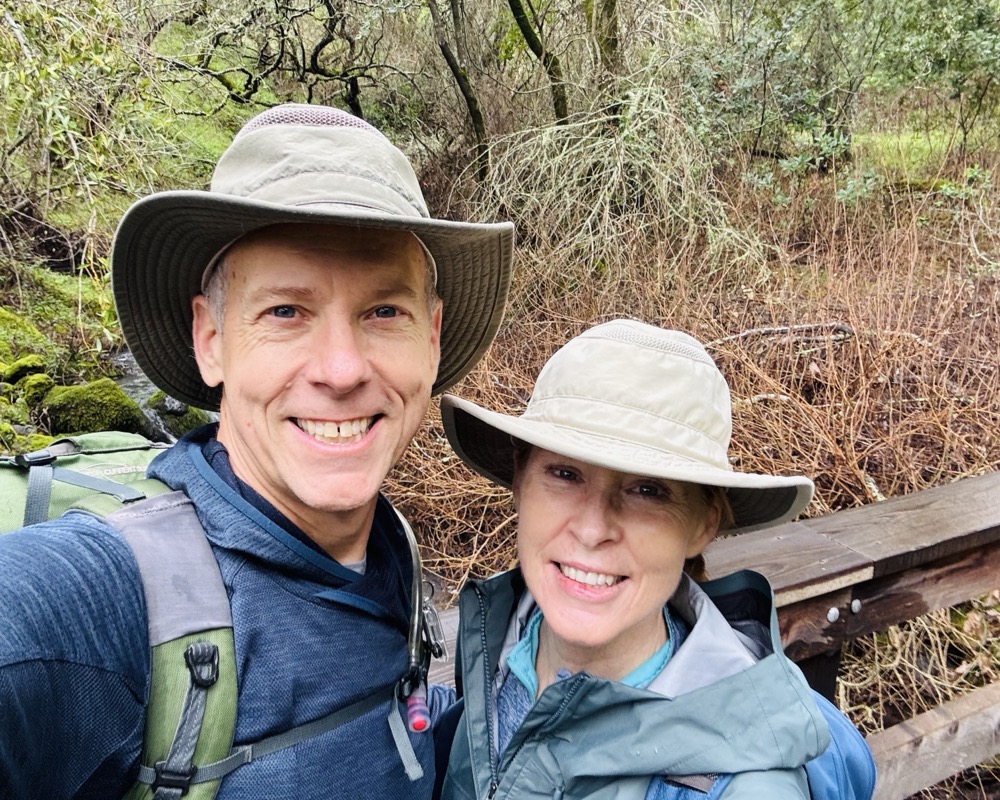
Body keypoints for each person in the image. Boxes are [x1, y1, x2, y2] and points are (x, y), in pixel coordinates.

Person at [0, 104, 513, 799]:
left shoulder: (390, 551)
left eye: (384, 311)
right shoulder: (105, 597)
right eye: (285, 312)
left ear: (432, 337)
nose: (341, 370)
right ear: (210, 339)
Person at [436, 319, 870, 800]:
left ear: (702, 525)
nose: (593, 528)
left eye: (647, 490)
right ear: (519, 482)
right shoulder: (500, 641)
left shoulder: (743, 788)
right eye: (565, 473)